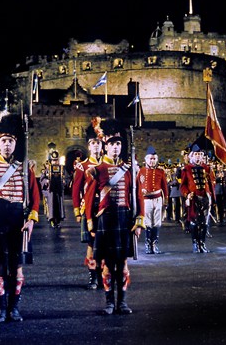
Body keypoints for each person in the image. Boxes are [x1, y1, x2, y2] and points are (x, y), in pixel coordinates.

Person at [0, 113, 40, 323]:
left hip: (18, 222)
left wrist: (31, 219)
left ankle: (14, 308)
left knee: (17, 266)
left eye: (10, 141)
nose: (7, 145)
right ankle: (1, 308)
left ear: (16, 143)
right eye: (3, 141)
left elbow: (34, 196)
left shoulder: (25, 167)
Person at [83, 118, 144, 315]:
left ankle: (123, 302)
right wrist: (91, 223)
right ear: (105, 148)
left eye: (118, 144)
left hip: (124, 218)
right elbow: (90, 197)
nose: (115, 148)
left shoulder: (129, 170)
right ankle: (109, 302)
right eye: (112, 145)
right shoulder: (96, 170)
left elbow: (137, 196)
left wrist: (140, 220)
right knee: (108, 265)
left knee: (123, 264)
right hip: (105, 219)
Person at [71, 120, 103, 290]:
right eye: (93, 143)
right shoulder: (82, 167)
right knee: (92, 244)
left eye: (98, 143)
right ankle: (93, 277)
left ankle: (104, 274)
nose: (96, 146)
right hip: (89, 208)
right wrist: (77, 211)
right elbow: (76, 190)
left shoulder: (107, 164)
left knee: (104, 244)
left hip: (105, 208)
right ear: (89, 146)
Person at [180, 142, 215, 253]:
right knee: (194, 222)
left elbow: (211, 183)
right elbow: (183, 186)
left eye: (200, 154)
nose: (198, 156)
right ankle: (195, 243)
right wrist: (187, 194)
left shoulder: (207, 168)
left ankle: (202, 243)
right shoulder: (187, 169)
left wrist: (212, 197)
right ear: (192, 156)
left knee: (204, 222)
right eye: (196, 154)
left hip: (205, 198)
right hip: (194, 198)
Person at [137, 146, 168, 254]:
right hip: (146, 200)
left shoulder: (161, 172)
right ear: (146, 159)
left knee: (157, 223)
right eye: (150, 158)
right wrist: (141, 192)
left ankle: (154, 244)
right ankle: (148, 245)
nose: (152, 161)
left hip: (158, 199)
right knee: (148, 223)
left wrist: (166, 201)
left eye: (154, 159)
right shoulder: (141, 171)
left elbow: (164, 187)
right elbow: (137, 185)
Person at [46, 150, 65, 228]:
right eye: (53, 160)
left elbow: (66, 177)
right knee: (52, 206)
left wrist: (64, 181)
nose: (55, 162)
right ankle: (52, 221)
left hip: (59, 191)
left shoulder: (62, 168)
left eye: (56, 160)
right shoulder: (48, 169)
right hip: (51, 191)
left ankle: (59, 221)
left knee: (59, 206)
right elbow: (42, 178)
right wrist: (46, 181)